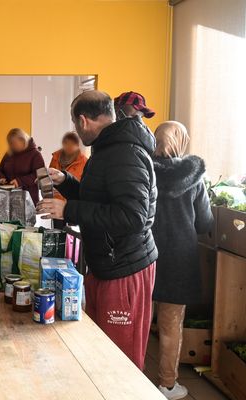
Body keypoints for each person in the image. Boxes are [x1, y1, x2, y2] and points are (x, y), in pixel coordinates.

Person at [37, 90, 158, 370]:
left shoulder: (123, 152)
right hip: (107, 263)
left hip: (125, 267)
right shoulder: (108, 148)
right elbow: (102, 200)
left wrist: (68, 210)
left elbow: (132, 216)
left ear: (83, 120)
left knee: (119, 362)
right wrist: (65, 181)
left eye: (75, 125)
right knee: (101, 351)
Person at [151, 121, 214, 400]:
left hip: (144, 255)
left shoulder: (143, 171)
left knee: (139, 320)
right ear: (182, 141)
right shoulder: (194, 177)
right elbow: (204, 223)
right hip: (179, 258)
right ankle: (167, 385)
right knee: (171, 324)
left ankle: (126, 377)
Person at [0, 128, 45, 204]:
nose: (12, 145)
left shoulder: (35, 154)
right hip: (8, 199)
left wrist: (20, 181)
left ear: (23, 140)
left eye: (14, 143)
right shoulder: (9, 154)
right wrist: (1, 177)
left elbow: (39, 175)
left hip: (28, 199)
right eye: (10, 143)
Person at [49, 131, 88, 199]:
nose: (69, 146)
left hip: (70, 203)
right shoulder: (56, 156)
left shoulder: (84, 162)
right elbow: (50, 176)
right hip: (54, 200)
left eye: (73, 143)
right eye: (66, 142)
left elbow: (84, 188)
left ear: (78, 145)